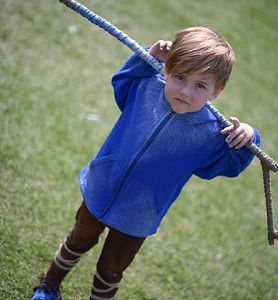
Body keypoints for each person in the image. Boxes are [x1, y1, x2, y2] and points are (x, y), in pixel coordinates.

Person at [30, 26, 260, 300]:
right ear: (166, 70)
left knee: (112, 268)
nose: (185, 91)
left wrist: (249, 136)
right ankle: (49, 285)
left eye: (200, 85)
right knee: (79, 239)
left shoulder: (211, 133)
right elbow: (123, 82)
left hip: (141, 210)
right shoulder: (147, 87)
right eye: (179, 77)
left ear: (216, 92)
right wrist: (146, 56)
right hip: (104, 183)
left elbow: (230, 163)